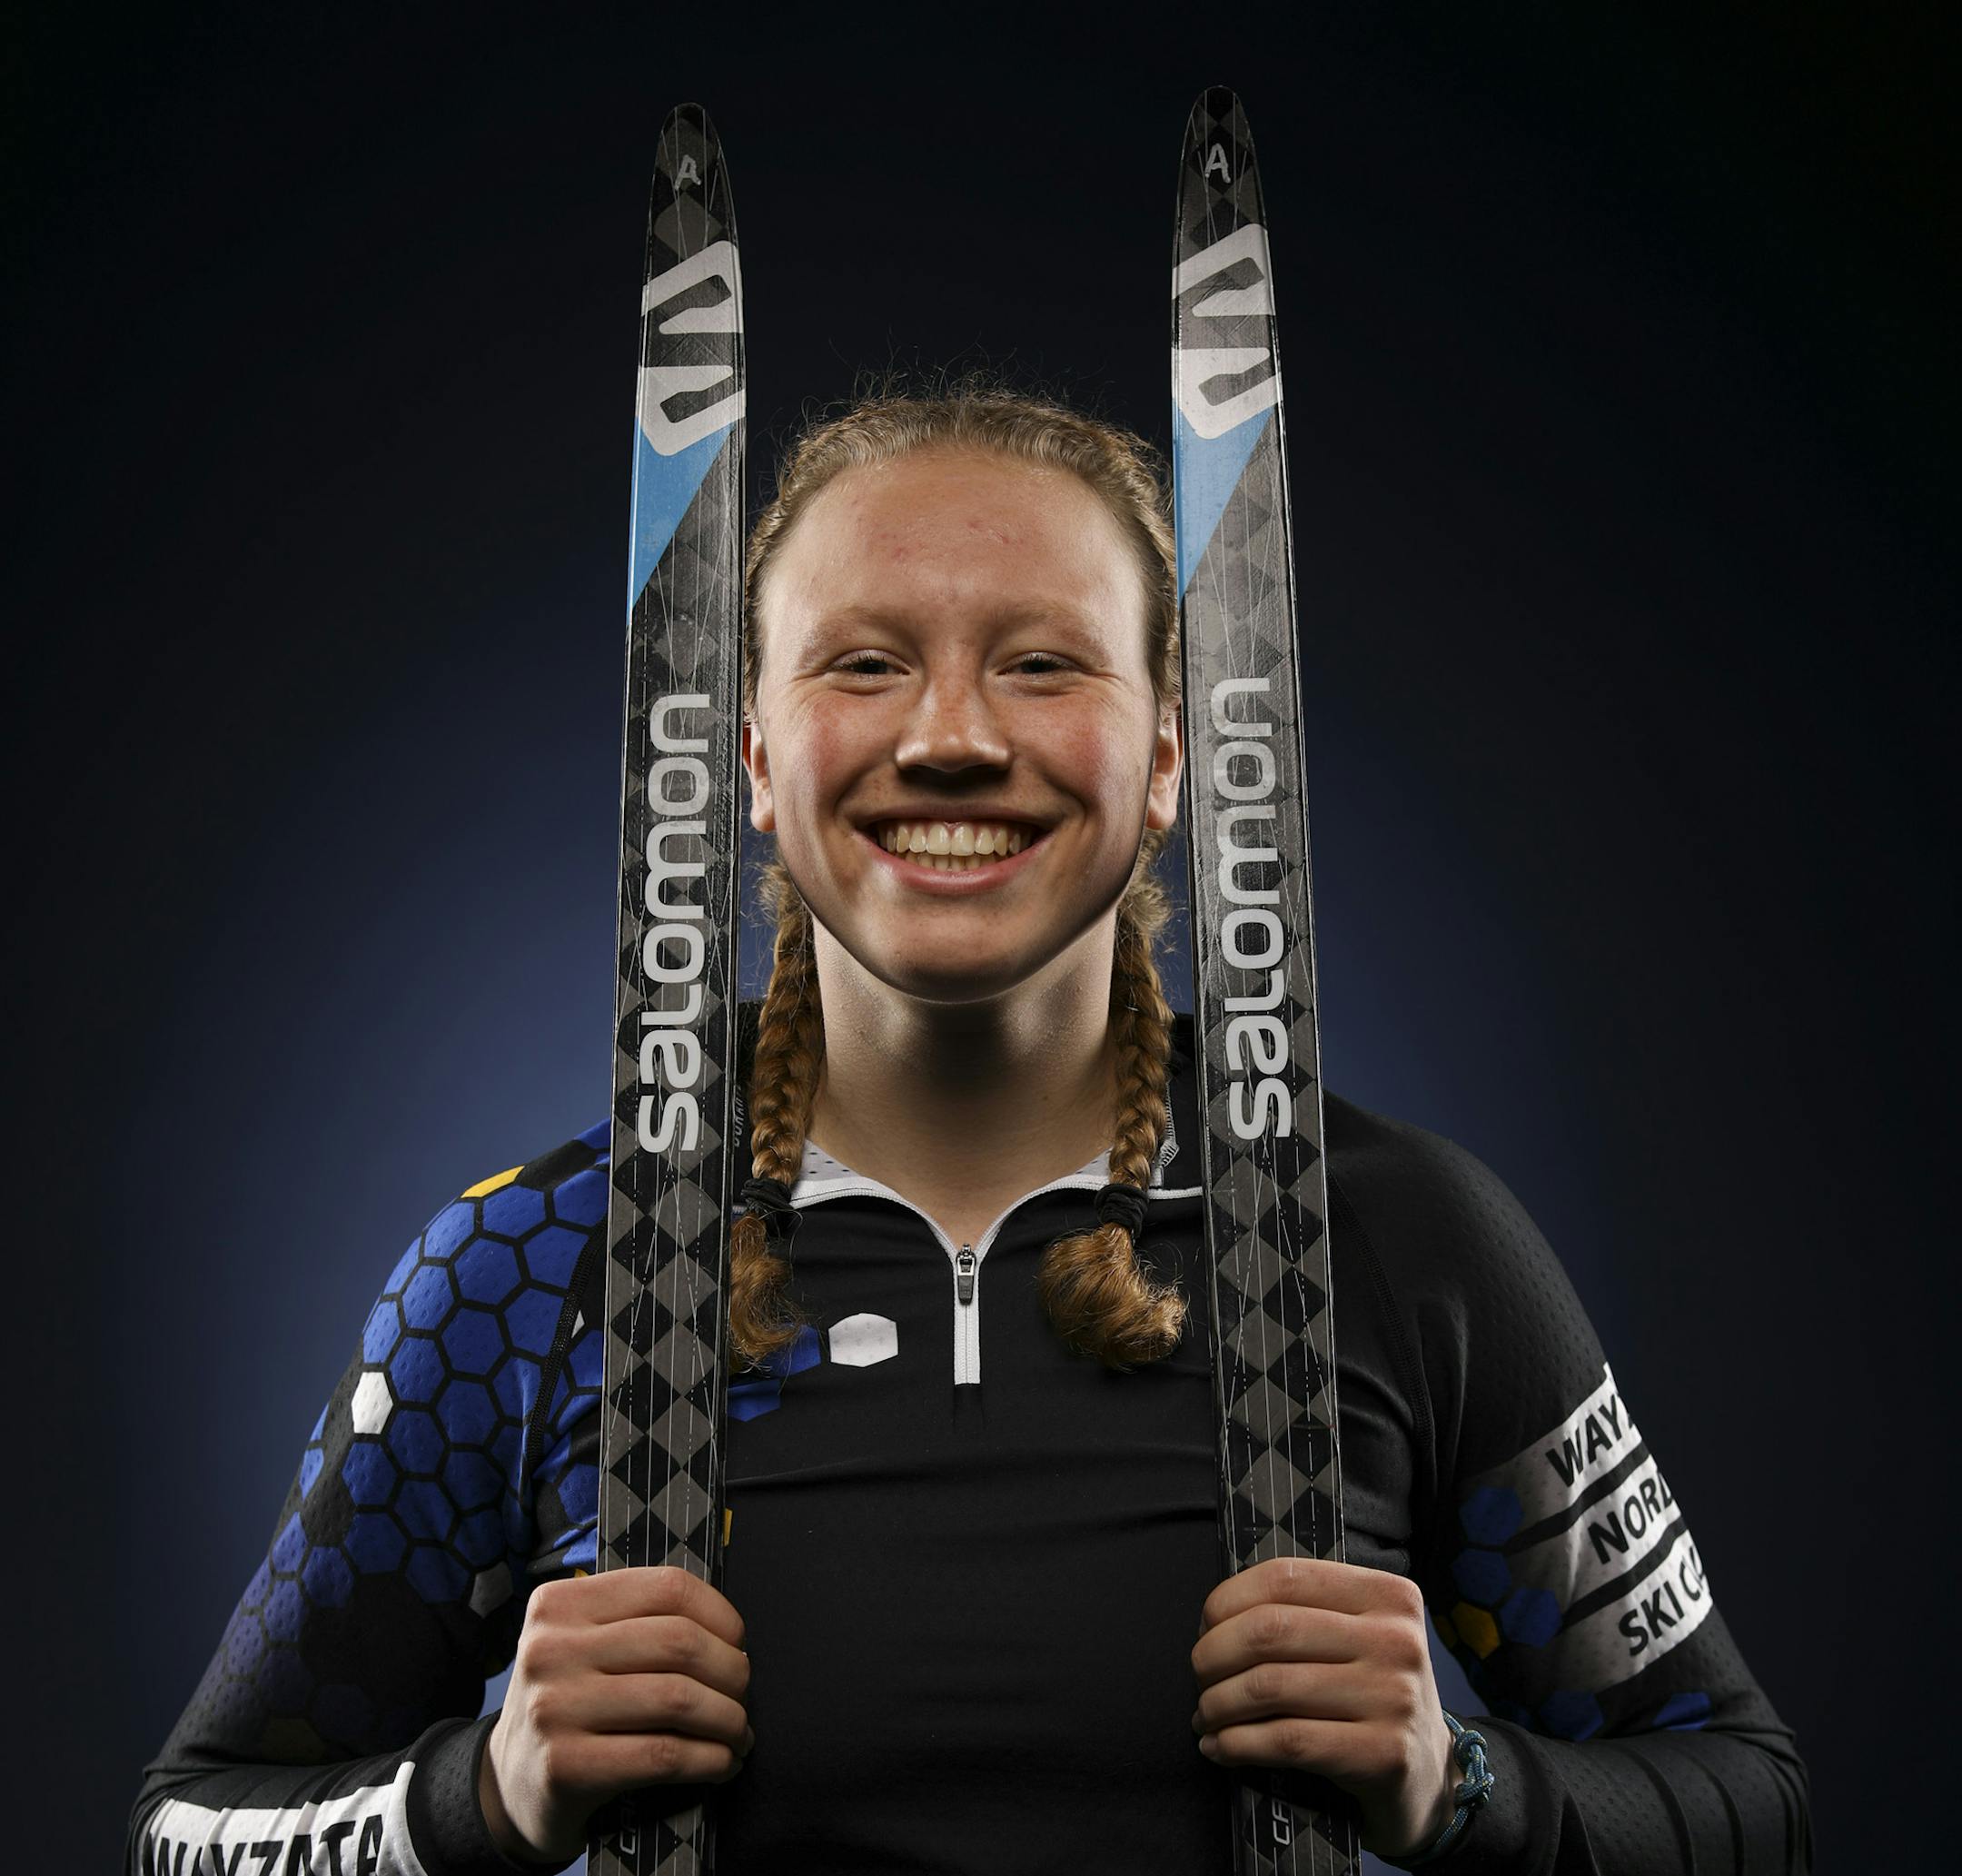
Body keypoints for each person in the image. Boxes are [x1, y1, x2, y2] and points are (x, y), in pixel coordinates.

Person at [128, 388, 1812, 1873]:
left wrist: (1468, 1785)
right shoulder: (532, 1264)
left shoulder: (1392, 1234)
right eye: (867, 662)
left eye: (1041, 660)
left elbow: (1746, 1795)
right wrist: (471, 1801)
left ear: (1167, 752)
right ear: (757, 763)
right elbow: (191, 1825)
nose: (951, 736)